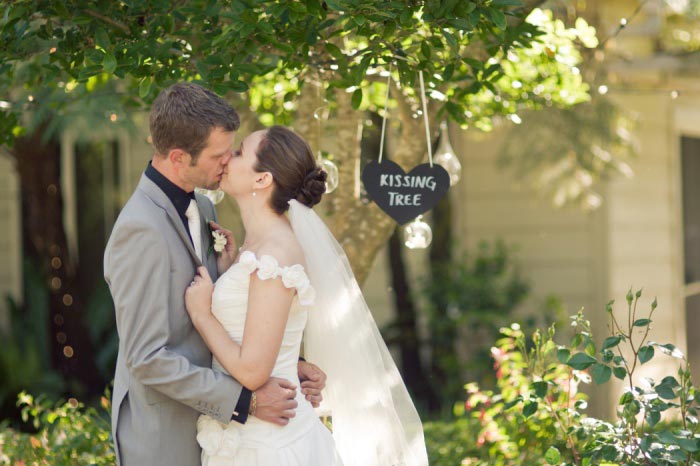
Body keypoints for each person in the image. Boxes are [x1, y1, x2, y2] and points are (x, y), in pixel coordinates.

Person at [104, 83, 326, 466]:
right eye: (221, 155)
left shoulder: (205, 208)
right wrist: (247, 401)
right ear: (178, 157)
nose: (227, 162)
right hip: (167, 435)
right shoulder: (139, 230)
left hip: (224, 435)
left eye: (234, 152)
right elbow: (145, 357)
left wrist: (288, 363)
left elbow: (236, 316)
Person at [185, 126, 429, 465]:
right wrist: (230, 272)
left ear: (262, 180)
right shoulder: (259, 247)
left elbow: (253, 371)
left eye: (240, 152)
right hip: (251, 436)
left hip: (269, 445)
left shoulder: (275, 252)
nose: (228, 157)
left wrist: (202, 315)